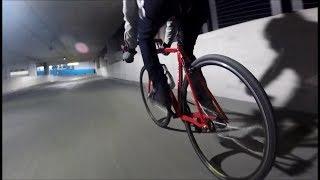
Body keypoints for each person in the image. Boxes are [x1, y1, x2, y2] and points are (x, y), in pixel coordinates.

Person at [137, 0, 214, 113]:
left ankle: (161, 90)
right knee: (187, 54)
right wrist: (167, 43)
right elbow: (173, 16)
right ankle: (208, 106)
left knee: (143, 38)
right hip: (199, 6)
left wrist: (129, 47)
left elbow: (129, 14)